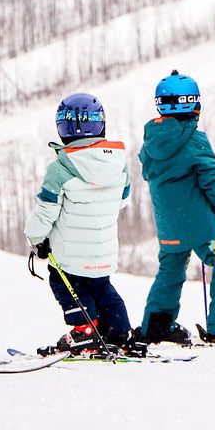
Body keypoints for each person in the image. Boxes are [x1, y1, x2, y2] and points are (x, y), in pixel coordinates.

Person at [136, 71, 215, 344]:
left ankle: (157, 326)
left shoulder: (150, 142)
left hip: (168, 224)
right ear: (194, 104)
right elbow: (211, 180)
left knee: (171, 270)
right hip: (202, 225)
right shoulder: (194, 140)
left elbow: (149, 175)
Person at [25, 92, 140, 357]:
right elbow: (123, 200)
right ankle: (119, 331)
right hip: (104, 251)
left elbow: (45, 210)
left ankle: (85, 329)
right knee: (102, 286)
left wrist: (35, 238)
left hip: (69, 254)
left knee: (64, 281)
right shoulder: (117, 164)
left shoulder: (60, 168)